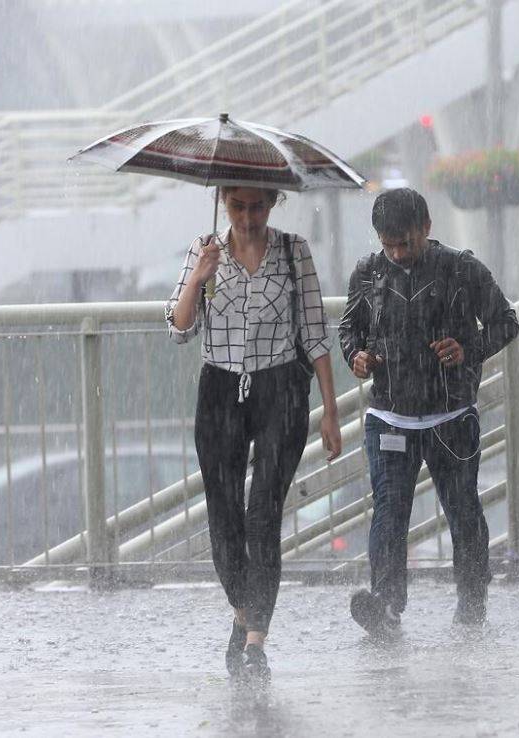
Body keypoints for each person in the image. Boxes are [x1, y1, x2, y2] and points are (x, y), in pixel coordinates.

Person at [165, 186, 342, 681]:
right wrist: (200, 275)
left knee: (263, 513)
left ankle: (255, 642)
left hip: (280, 389)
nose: (248, 217)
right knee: (225, 520)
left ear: (273, 204)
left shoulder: (292, 251)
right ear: (224, 202)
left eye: (257, 206)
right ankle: (244, 615)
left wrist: (330, 410)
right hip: (219, 390)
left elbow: (314, 330)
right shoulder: (205, 250)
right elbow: (179, 330)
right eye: (238, 206)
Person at [338, 188, 518, 633]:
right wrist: (355, 357)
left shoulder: (461, 268)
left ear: (427, 228)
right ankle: (385, 603)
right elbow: (349, 330)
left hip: (451, 416)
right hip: (389, 417)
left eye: (406, 243)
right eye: (388, 245)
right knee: (389, 511)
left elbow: (506, 321)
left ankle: (471, 600)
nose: (398, 253)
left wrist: (469, 347)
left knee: (462, 509)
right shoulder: (368, 273)